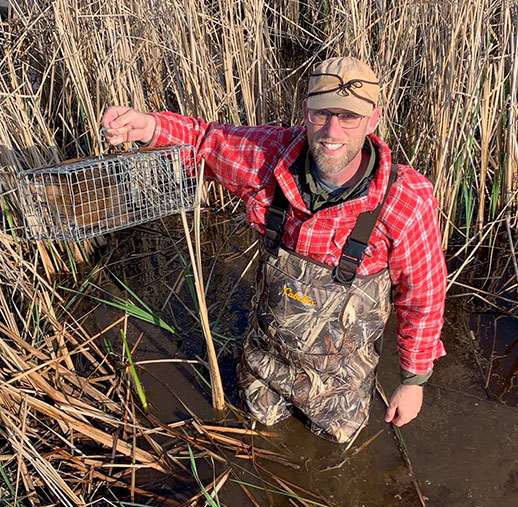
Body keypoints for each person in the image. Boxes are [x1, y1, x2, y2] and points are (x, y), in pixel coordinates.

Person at [102, 56, 447, 445]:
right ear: (306, 112)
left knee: (335, 448)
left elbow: (423, 296)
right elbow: (205, 142)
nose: (332, 130)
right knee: (255, 432)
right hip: (266, 358)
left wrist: (413, 380)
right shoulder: (270, 157)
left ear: (372, 120)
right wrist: (149, 127)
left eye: (348, 117)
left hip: (341, 380)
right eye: (322, 114)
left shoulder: (404, 199)